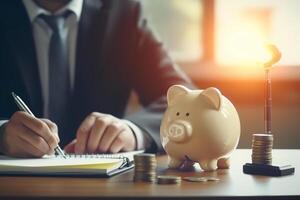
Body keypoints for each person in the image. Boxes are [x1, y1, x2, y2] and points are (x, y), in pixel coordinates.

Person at [0, 0, 192, 157]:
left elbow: (186, 101)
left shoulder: (123, 11)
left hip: (102, 187)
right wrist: (1, 136)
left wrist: (133, 131)